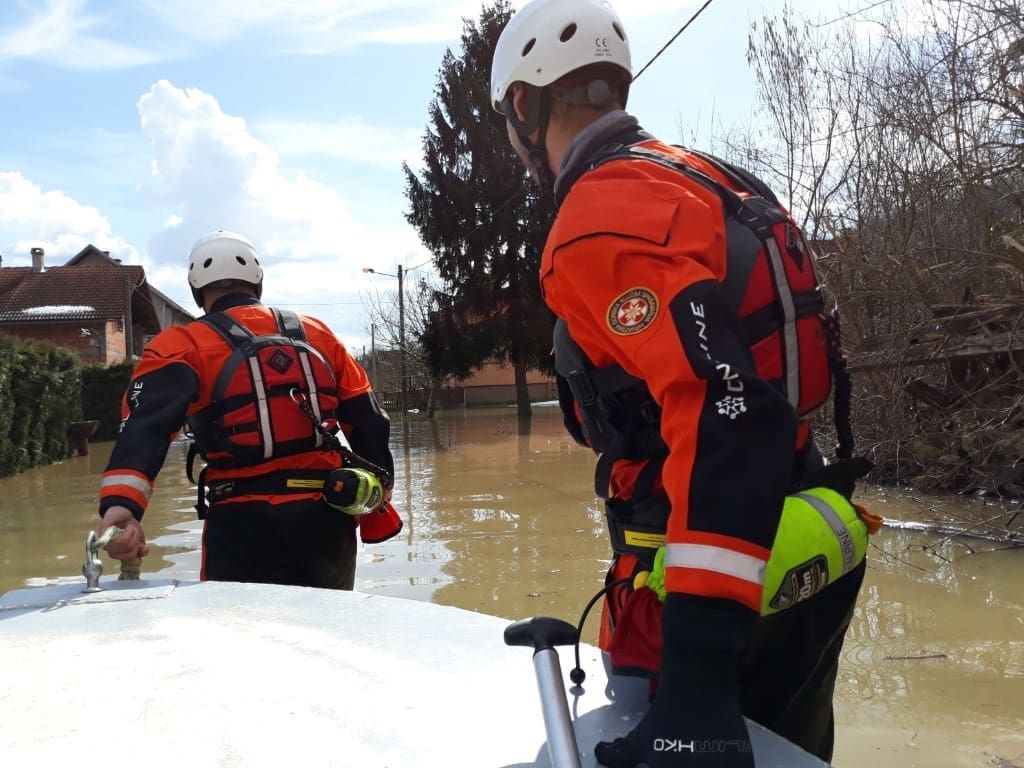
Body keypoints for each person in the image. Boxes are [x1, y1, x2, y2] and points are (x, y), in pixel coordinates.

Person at [490, 1, 877, 766]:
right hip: (805, 539)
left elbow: (724, 410)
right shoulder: (710, 180)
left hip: (703, 578)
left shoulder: (597, 218)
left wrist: (696, 687)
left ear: (528, 105)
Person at [97, 230, 400, 590]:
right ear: (256, 282)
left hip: (240, 523)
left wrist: (121, 508)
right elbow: (369, 422)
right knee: (327, 634)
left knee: (240, 638)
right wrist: (380, 491)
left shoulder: (182, 344)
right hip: (327, 518)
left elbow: (145, 427)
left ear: (197, 289)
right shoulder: (319, 334)